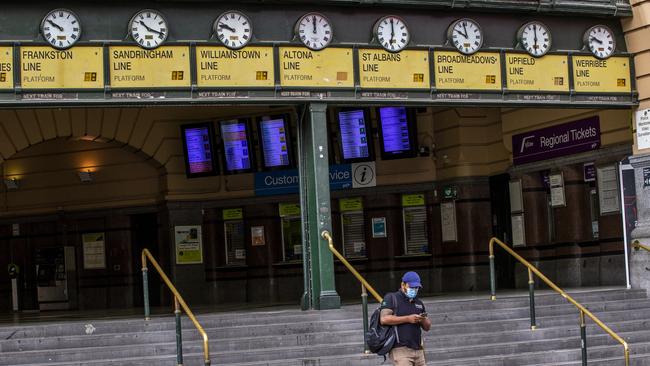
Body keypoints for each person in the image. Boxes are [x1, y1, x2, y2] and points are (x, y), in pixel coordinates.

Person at [379, 271, 431, 366]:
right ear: (403, 284)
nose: (414, 290)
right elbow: (384, 319)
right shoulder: (392, 298)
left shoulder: (418, 303)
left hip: (418, 349)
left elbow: (427, 327)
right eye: (411, 287)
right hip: (400, 349)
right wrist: (408, 319)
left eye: (417, 288)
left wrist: (423, 319)